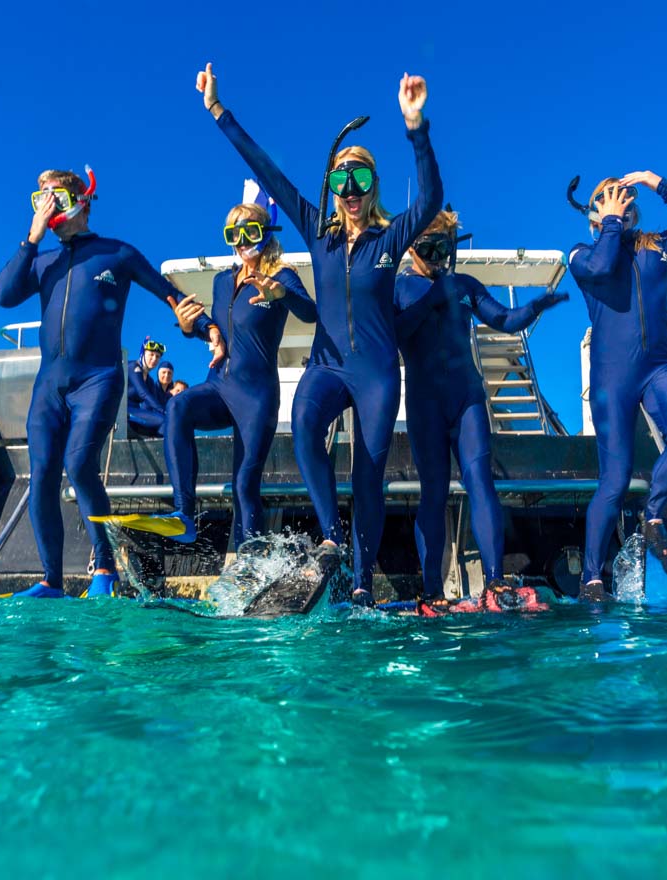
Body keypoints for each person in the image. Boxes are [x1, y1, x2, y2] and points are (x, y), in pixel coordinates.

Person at [195, 62, 442, 605]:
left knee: (369, 475)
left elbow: (429, 202)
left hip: (377, 373)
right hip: (327, 366)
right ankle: (333, 539)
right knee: (305, 421)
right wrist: (218, 109)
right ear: (331, 186)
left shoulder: (389, 237)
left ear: (372, 186)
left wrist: (416, 128)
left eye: (360, 179)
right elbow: (264, 166)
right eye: (340, 179)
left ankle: (360, 582)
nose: (350, 189)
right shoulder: (318, 232)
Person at [0, 168, 225, 599]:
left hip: (97, 381)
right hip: (50, 386)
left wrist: (208, 329)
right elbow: (3, 294)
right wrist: (32, 237)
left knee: (80, 465)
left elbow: (168, 293)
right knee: (42, 473)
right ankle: (51, 580)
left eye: (56, 199)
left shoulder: (115, 254)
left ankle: (104, 568)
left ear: (81, 201)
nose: (48, 208)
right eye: (39, 200)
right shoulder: (43, 261)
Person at [393, 210, 565, 614]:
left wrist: (535, 306)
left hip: (465, 397)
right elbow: (394, 334)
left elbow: (504, 320)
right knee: (433, 492)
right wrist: (433, 297)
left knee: (479, 480)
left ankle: (494, 582)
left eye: (444, 249)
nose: (436, 258)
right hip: (424, 404)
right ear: (412, 248)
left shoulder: (465, 285)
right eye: (428, 248)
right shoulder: (399, 288)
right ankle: (432, 591)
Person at [567, 172, 667, 597]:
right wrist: (611, 224)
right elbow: (602, 265)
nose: (622, 203)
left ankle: (653, 513)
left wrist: (661, 184)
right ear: (595, 213)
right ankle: (592, 577)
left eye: (626, 198)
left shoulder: (658, 247)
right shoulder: (581, 254)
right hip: (611, 376)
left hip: (659, 366)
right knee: (614, 480)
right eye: (611, 199)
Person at [157, 201, 317, 546]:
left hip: (256, 396)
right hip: (219, 386)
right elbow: (214, 325)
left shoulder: (282, 275)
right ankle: (184, 514)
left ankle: (251, 565)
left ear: (266, 233)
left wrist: (281, 293)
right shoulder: (220, 281)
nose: (243, 241)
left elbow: (310, 313)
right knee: (178, 407)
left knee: (245, 485)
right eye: (234, 233)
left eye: (251, 231)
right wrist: (196, 327)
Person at [126, 337, 170, 438]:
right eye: (151, 354)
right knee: (164, 420)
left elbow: (151, 405)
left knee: (166, 422)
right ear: (143, 353)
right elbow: (143, 393)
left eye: (158, 356)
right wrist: (164, 412)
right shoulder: (133, 367)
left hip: (136, 414)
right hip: (124, 413)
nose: (154, 359)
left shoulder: (149, 381)